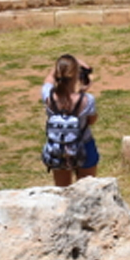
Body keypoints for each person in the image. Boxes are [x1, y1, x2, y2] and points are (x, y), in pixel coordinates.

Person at [41, 54, 98, 186]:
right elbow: (92, 120)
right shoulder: (87, 100)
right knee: (87, 190)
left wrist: (62, 65)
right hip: (84, 145)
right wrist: (84, 90)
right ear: (76, 76)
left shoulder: (48, 96)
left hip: (58, 148)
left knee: (62, 190)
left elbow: (48, 80)